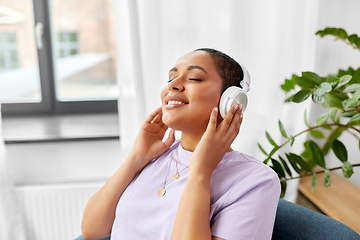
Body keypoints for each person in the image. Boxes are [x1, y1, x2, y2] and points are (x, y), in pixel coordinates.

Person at [81, 48, 281, 240]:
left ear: (230, 100)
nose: (173, 85)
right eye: (170, 78)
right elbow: (92, 230)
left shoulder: (256, 181)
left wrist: (201, 170)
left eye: (194, 78)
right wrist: (137, 157)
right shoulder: (155, 156)